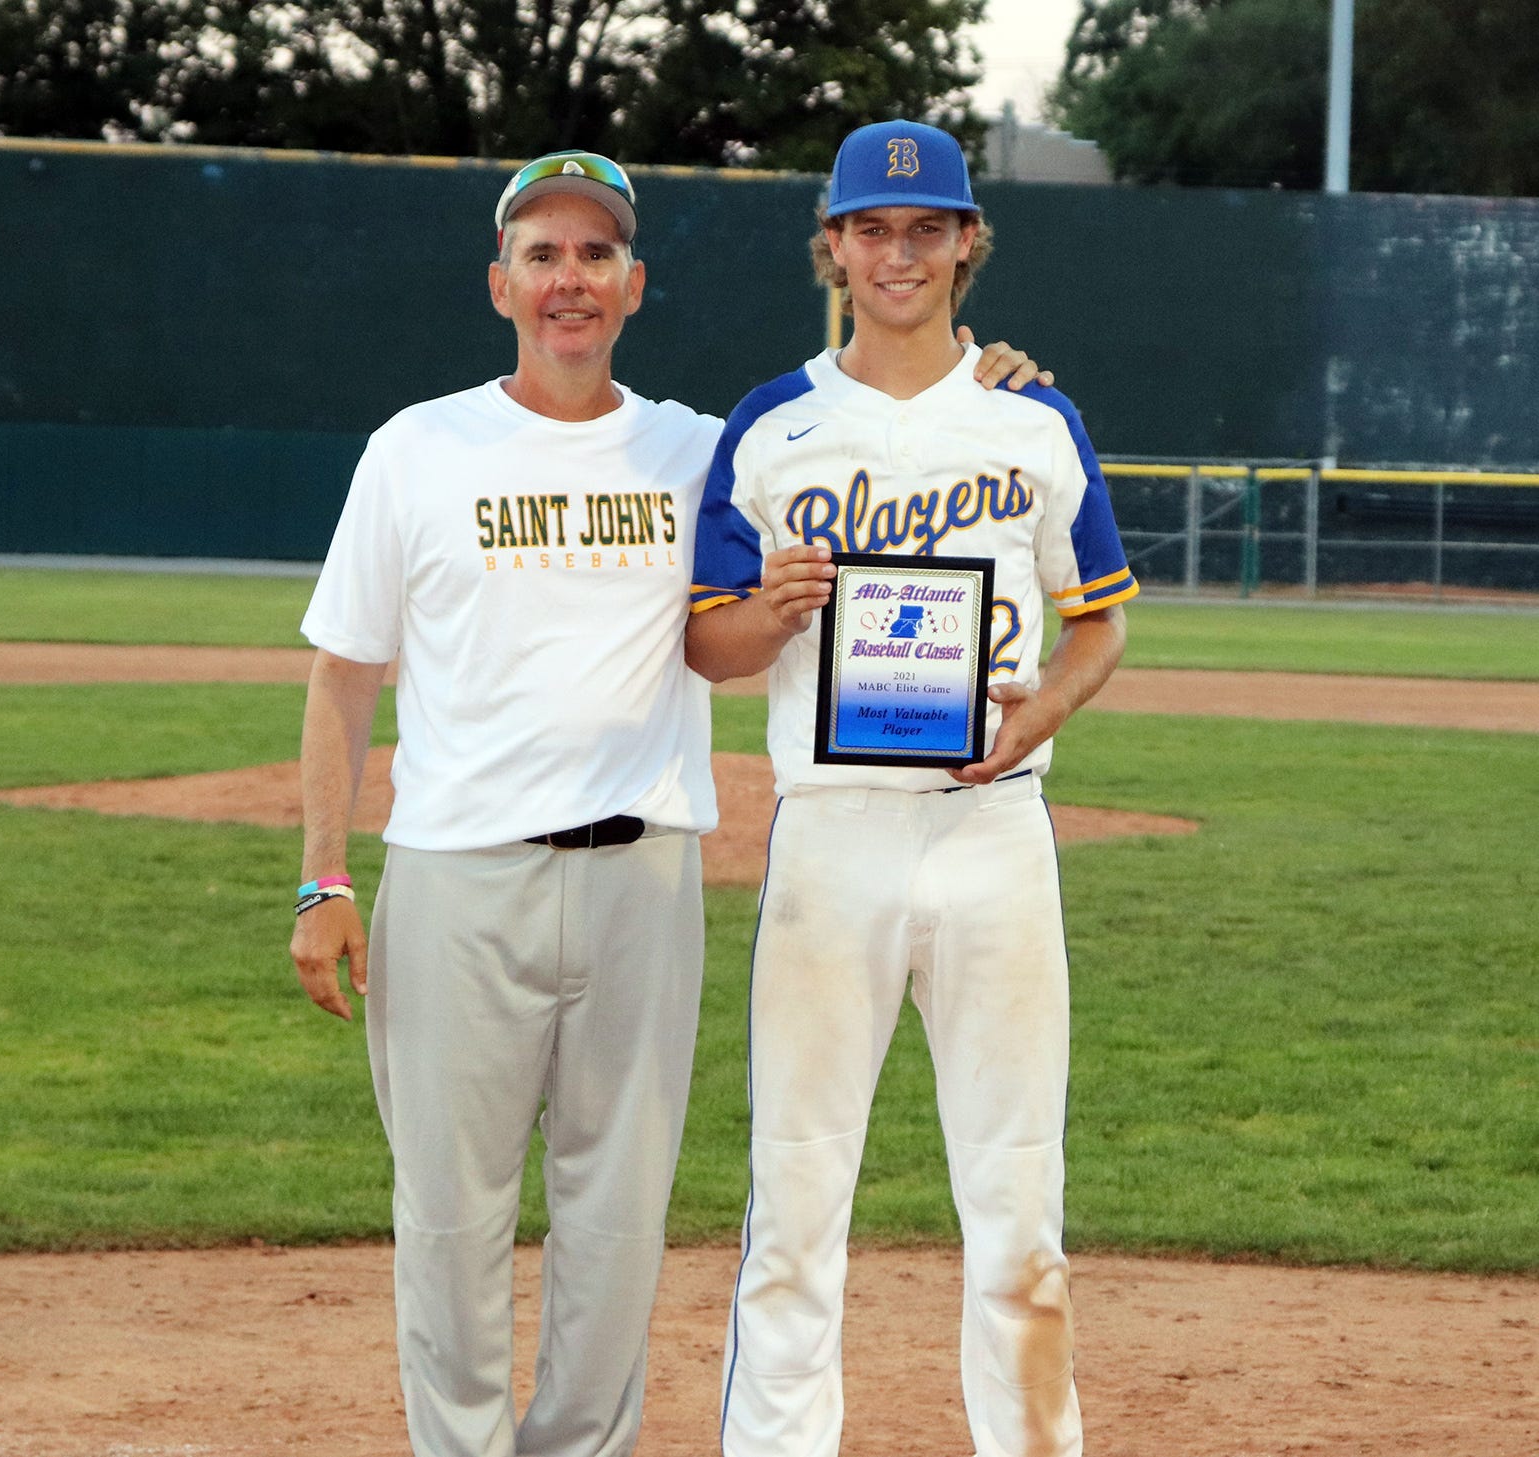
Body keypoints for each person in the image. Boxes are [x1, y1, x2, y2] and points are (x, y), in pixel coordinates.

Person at [288, 147, 1048, 1457]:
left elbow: (864, 437)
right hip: (457, 878)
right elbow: (344, 678)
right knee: (451, 1215)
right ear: (500, 282)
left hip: (644, 876)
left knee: (617, 1218)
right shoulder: (417, 449)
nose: (569, 278)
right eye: (543, 253)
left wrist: (985, 386)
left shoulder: (706, 448)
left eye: (595, 254)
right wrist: (323, 876)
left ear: (634, 283)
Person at [686, 120, 1140, 1457]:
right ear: (831, 245)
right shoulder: (774, 424)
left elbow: (1102, 619)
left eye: (926, 228)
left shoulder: (1033, 416)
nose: (899, 253)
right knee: (797, 1192)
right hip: (832, 835)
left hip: (994, 831)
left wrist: (1040, 711)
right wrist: (767, 615)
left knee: (1018, 1195)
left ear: (966, 244)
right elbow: (709, 646)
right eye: (872, 230)